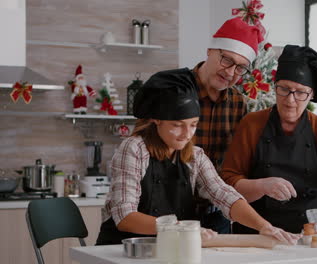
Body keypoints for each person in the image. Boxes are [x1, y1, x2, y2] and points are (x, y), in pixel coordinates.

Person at [95, 68, 299, 245]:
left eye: (193, 125)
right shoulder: (134, 149)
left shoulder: (194, 156)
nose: (187, 134)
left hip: (167, 250)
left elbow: (224, 194)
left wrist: (263, 226)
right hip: (120, 250)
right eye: (177, 125)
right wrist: (181, 228)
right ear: (157, 120)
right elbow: (125, 216)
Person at [221, 45, 317, 234]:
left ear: (311, 94)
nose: (290, 100)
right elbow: (229, 181)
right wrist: (262, 186)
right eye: (284, 89)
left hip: (310, 235)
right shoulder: (252, 124)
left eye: (300, 92)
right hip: (257, 232)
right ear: (275, 87)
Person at [191, 17, 264, 234]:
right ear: (210, 50)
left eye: (241, 68)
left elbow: (237, 163)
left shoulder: (238, 103)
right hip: (173, 213)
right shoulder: (177, 91)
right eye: (226, 60)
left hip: (217, 215)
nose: (231, 73)